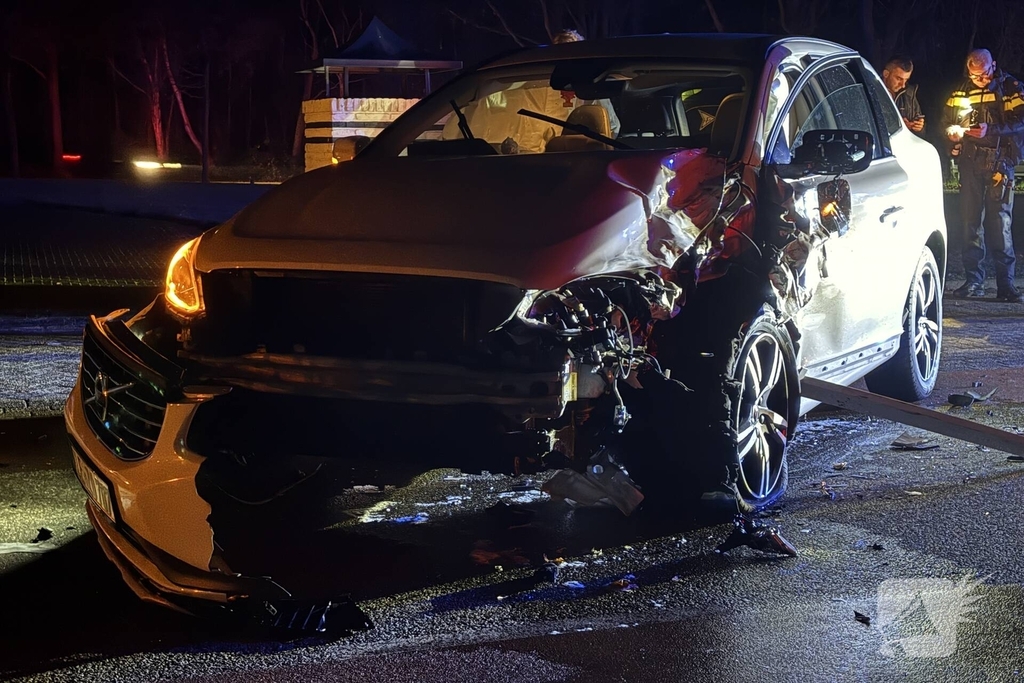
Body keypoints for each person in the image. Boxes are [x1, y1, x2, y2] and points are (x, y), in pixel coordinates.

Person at [945, 49, 1024, 303]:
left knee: (1000, 223)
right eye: (974, 75)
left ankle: (1006, 286)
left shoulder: (1011, 88)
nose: (980, 80)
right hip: (970, 160)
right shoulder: (960, 91)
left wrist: (992, 129)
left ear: (994, 66)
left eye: (984, 74)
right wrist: (952, 133)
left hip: (1000, 161)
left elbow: (1021, 121)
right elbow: (947, 119)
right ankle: (974, 282)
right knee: (970, 221)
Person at [550, 29, 621, 138]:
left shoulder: (590, 88)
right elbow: (613, 128)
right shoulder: (539, 84)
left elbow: (611, 128)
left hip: (582, 150)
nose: (568, 62)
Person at [882, 56, 925, 135]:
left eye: (906, 80)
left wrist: (919, 128)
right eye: (899, 79)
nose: (903, 85)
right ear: (886, 74)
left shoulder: (909, 94)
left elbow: (922, 134)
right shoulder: (873, 93)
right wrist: (898, 125)